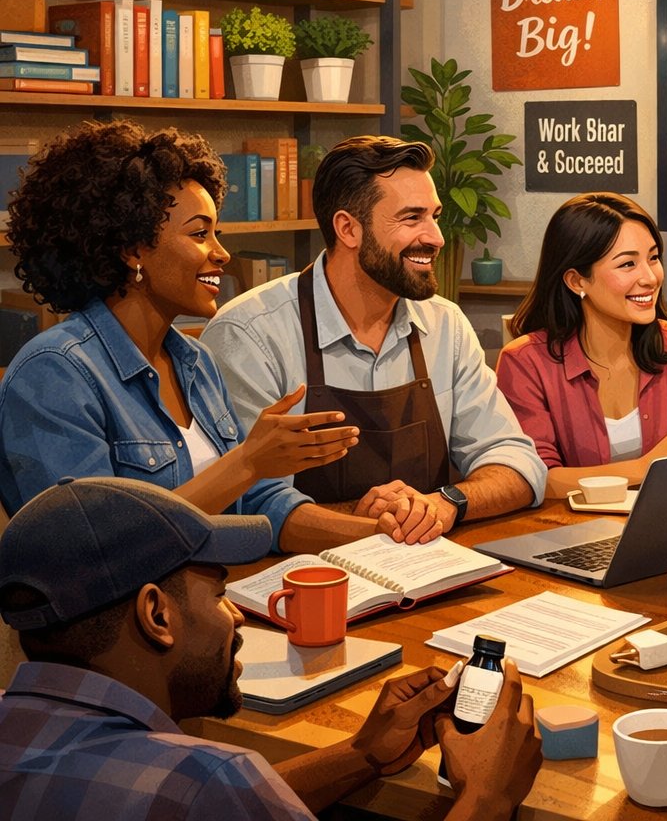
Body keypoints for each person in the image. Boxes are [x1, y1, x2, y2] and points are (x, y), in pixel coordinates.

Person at [0, 121, 435, 552]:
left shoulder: (194, 362)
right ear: (133, 249)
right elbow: (96, 550)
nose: (221, 253)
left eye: (217, 233)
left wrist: (384, 537)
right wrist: (248, 462)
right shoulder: (55, 374)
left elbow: (260, 504)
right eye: (199, 233)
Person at [0, 477, 543, 819]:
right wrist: (485, 800)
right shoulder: (204, 779)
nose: (235, 614)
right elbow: (204, 794)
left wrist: (360, 755)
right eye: (217, 594)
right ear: (156, 615)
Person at [202, 135, 547, 535]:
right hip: (304, 580)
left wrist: (444, 503)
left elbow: (517, 462)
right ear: (348, 229)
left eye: (434, 216)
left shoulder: (445, 325)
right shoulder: (249, 334)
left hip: (427, 564)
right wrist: (377, 521)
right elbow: (250, 504)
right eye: (412, 218)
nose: (436, 237)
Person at [497, 192, 667, 499]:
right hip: (570, 534)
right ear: (577, 281)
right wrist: (646, 467)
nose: (649, 277)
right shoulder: (525, 361)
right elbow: (537, 479)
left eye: (653, 258)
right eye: (628, 264)